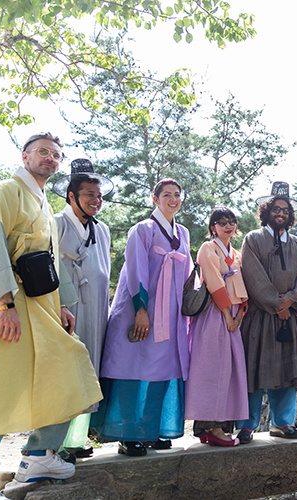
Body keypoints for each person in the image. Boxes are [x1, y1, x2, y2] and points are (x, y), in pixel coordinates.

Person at [0, 132, 102, 500]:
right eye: (42, 152)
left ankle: (38, 455)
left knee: (69, 369)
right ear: (25, 156)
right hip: (5, 302)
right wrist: (5, 303)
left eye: (55, 155)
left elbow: (51, 259)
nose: (49, 158)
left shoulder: (43, 205)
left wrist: (64, 303)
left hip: (43, 304)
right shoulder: (2, 191)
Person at [93, 179, 192, 456]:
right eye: (167, 195)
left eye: (177, 194)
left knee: (163, 371)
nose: (173, 199)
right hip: (139, 309)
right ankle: (128, 433)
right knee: (132, 370)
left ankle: (150, 429)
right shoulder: (143, 229)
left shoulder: (182, 232)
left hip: (170, 314)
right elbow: (136, 268)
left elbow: (188, 273)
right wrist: (140, 309)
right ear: (155, 198)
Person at [236, 181, 297, 443]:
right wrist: (274, 302)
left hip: (288, 317)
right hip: (260, 316)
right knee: (254, 371)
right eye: (277, 209)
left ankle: (282, 423)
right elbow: (252, 274)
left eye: (286, 210)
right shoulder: (253, 239)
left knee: (287, 371)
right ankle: (246, 425)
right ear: (266, 211)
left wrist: (289, 301)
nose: (281, 213)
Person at [52, 158, 114, 460]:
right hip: (67, 308)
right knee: (66, 373)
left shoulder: (102, 230)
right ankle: (54, 443)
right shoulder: (56, 223)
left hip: (98, 307)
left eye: (99, 195)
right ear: (71, 195)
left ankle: (77, 439)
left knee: (91, 371)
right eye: (89, 193)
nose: (96, 200)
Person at [185, 207, 249, 447]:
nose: (228, 226)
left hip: (233, 315)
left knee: (230, 371)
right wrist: (227, 315)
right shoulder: (207, 249)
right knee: (211, 370)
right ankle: (211, 427)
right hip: (215, 314)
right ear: (213, 227)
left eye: (231, 221)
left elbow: (243, 284)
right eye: (222, 222)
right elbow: (213, 282)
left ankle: (216, 426)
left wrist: (240, 313)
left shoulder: (236, 252)